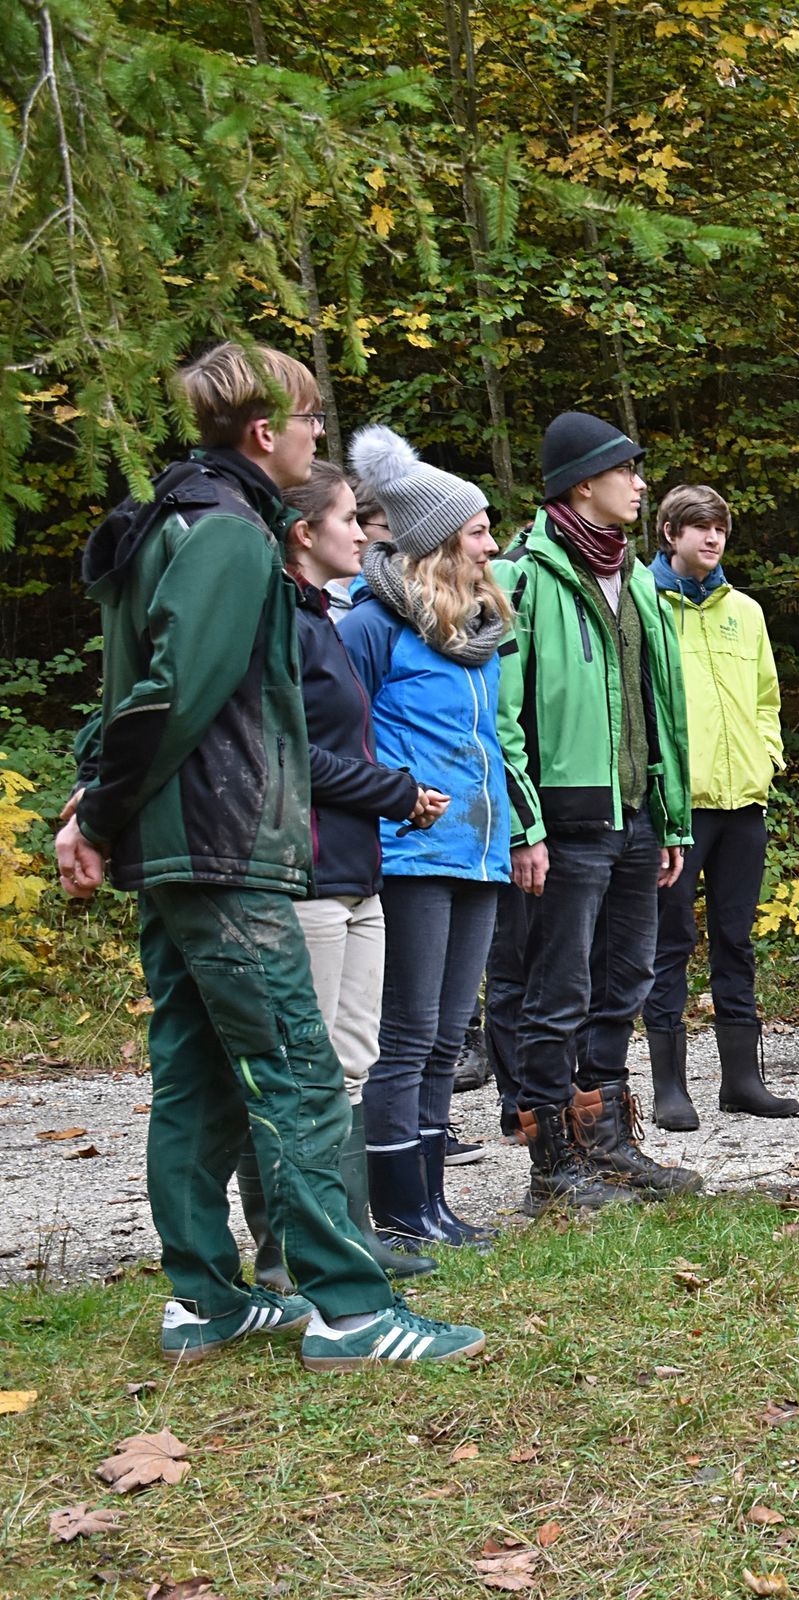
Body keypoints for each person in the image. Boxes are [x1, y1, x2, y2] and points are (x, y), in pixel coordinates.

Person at [57, 342, 482, 1368]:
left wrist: (100, 807)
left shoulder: (168, 518)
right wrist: (104, 815)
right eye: (309, 427)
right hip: (224, 845)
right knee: (296, 1064)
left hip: (184, 846)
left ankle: (204, 1297)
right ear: (264, 432)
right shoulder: (229, 537)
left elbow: (130, 692)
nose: (316, 443)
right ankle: (347, 1304)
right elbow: (170, 695)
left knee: (199, 1076)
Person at [235, 457, 442, 1286]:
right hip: (304, 869)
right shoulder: (273, 621)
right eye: (350, 518)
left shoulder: (325, 617)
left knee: (352, 1059)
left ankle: (347, 1232)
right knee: (303, 1062)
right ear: (302, 532)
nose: (364, 531)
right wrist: (395, 790)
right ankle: (285, 1247)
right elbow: (290, 756)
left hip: (360, 870)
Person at [490, 411, 699, 1209]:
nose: (641, 484)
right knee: (555, 992)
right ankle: (552, 1171)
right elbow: (501, 715)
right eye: (628, 470)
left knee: (625, 984)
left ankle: (609, 1143)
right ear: (584, 484)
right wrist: (524, 825)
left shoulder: (638, 576)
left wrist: (670, 818)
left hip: (637, 818)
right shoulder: (523, 577)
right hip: (564, 826)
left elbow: (661, 708)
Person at [342, 425, 518, 1246]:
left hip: (478, 850)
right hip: (409, 851)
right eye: (479, 530)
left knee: (449, 1037)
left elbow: (494, 742)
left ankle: (434, 1202)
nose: (493, 543)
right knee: (406, 1037)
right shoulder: (371, 627)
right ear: (440, 543)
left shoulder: (479, 633)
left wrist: (519, 830)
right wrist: (394, 802)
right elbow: (338, 736)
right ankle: (400, 1209)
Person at [642, 484, 796, 1128]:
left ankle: (742, 1079)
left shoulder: (748, 612)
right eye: (698, 527)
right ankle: (669, 1087)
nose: (712, 538)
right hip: (677, 806)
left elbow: (766, 697)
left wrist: (767, 758)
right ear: (670, 533)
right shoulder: (642, 605)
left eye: (720, 529)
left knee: (735, 939)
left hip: (744, 805)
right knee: (669, 942)